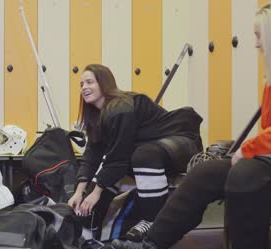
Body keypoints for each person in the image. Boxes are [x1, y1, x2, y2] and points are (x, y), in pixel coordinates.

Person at [104, 1, 271, 249]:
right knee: (207, 171)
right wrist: (250, 151)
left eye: (259, 36)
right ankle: (155, 246)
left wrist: (250, 150)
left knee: (248, 173)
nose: (257, 43)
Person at [67, 64, 203, 240]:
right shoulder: (97, 116)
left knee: (139, 155)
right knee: (115, 168)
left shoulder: (120, 108)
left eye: (89, 82)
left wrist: (96, 193)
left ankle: (152, 221)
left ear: (104, 83)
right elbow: (92, 156)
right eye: (81, 84)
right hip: (150, 152)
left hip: (181, 142)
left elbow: (117, 159)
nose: (84, 87)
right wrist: (80, 192)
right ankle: (87, 230)